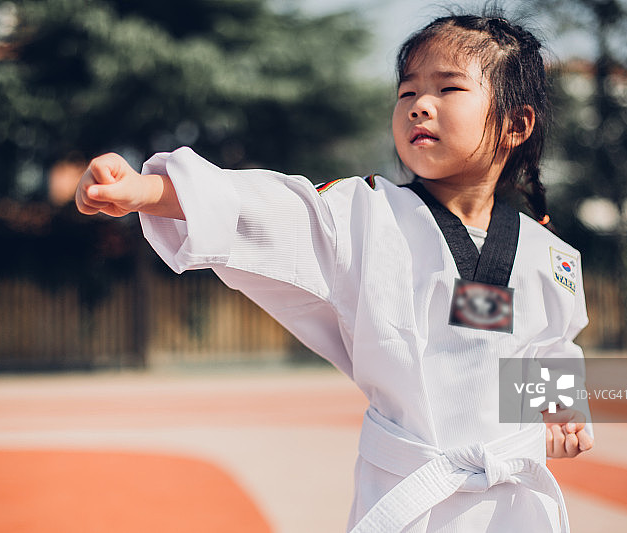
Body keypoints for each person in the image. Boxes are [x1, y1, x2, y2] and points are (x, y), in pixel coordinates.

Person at [76, 10, 593, 533]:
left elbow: (546, 344)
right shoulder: (366, 213)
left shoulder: (549, 256)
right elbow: (272, 209)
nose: (420, 107)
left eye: (449, 88)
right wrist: (149, 192)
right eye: (407, 93)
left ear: (516, 124)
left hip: (511, 508)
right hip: (410, 498)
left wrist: (560, 411)